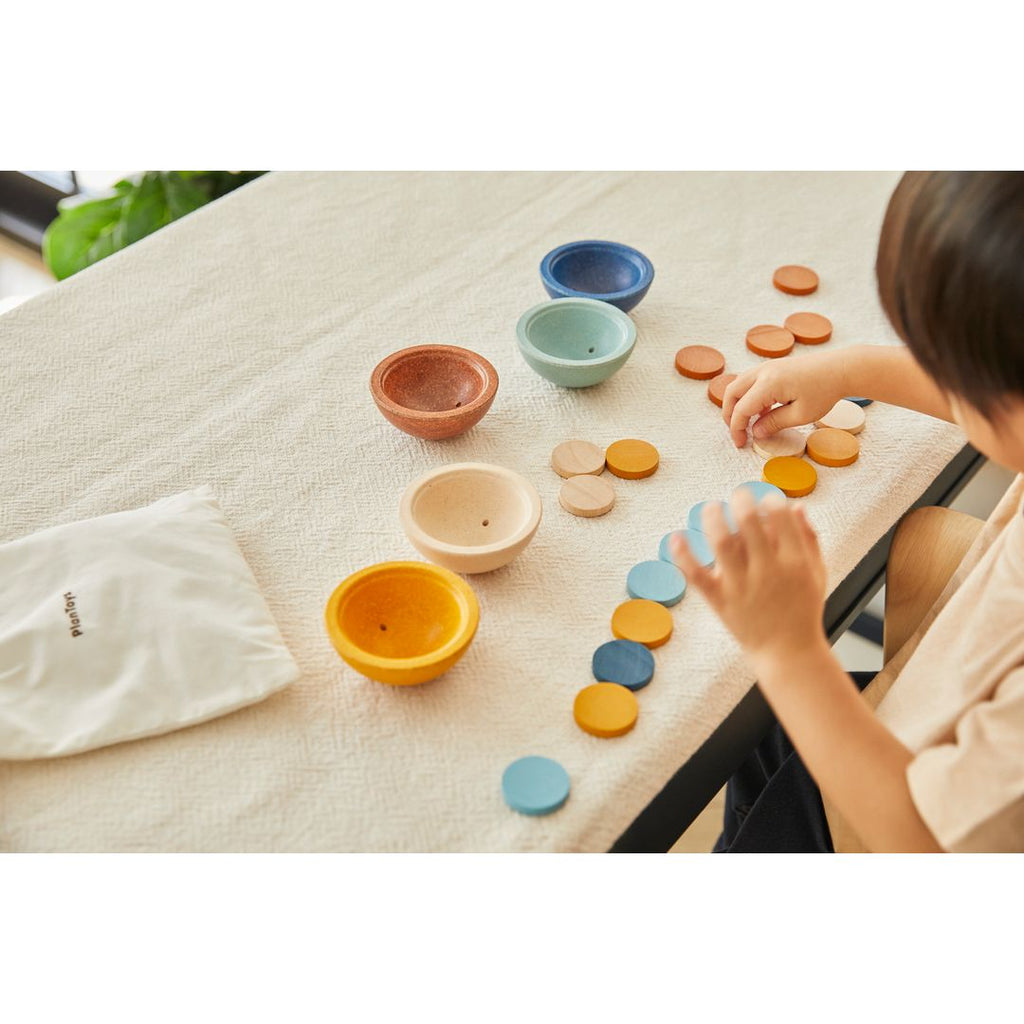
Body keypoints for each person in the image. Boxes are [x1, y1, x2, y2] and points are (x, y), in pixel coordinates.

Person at [671, 171, 1024, 853]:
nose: (943, 381)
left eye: (956, 376)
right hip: (920, 712)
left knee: (770, 715)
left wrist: (788, 650)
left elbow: (922, 842)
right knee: (764, 728)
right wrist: (851, 370)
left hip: (884, 824)